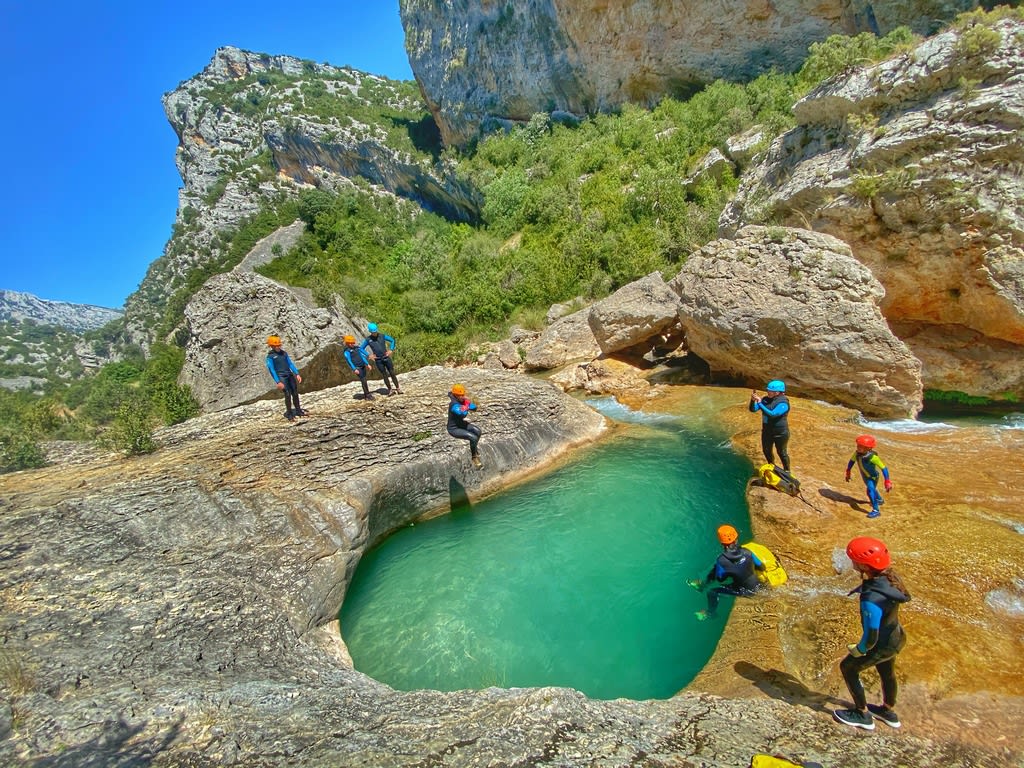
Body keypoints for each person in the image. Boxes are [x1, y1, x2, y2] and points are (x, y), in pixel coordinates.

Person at [833, 536, 910, 731]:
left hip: (880, 643)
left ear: (864, 566)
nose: (851, 561)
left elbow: (871, 635)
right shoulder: (890, 578)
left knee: (848, 668)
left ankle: (862, 714)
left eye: (853, 559)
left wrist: (859, 649)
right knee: (887, 672)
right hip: (896, 637)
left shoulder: (871, 600)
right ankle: (888, 710)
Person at [689, 524, 764, 621]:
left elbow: (720, 578)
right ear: (736, 538)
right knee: (718, 568)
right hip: (759, 585)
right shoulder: (747, 551)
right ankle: (702, 584)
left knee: (712, 592)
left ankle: (710, 612)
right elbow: (761, 566)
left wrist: (729, 568)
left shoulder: (722, 560)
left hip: (745, 591)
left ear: (722, 543)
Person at [846, 434, 892, 519]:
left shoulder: (873, 457)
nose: (858, 447)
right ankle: (879, 500)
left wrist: (887, 481)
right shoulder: (857, 454)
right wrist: (848, 471)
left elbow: (884, 468)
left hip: (872, 477)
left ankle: (876, 510)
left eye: (861, 446)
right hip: (865, 477)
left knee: (870, 491)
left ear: (868, 448)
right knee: (871, 488)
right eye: (858, 445)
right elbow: (851, 461)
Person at [749, 380, 791, 471]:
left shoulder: (783, 403)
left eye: (770, 391)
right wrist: (753, 401)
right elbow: (753, 409)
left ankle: (787, 471)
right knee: (766, 450)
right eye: (767, 390)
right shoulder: (765, 399)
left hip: (780, 432)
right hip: (767, 431)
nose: (767, 392)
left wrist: (760, 403)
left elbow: (773, 414)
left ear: (777, 392)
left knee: (781, 452)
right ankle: (771, 466)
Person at [265, 335, 305, 421]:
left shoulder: (284, 353)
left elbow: (290, 363)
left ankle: (298, 410)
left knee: (295, 393)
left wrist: (297, 373)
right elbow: (272, 370)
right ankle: (289, 413)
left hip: (289, 375)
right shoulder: (270, 357)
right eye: (276, 345)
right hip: (281, 376)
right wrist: (278, 381)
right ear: (271, 346)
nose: (278, 346)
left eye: (279, 345)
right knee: (287, 394)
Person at [360, 322, 402, 396]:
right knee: (384, 375)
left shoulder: (382, 336)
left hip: (386, 357)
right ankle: (390, 390)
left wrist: (391, 350)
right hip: (378, 360)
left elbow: (392, 340)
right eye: (373, 332)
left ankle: (398, 388)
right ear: (370, 331)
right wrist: (369, 355)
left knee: (392, 373)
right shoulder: (368, 339)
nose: (374, 333)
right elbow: (361, 348)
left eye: (375, 331)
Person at [447, 383, 482, 468]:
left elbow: (474, 408)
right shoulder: (453, 404)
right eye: (460, 395)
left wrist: (467, 405)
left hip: (461, 424)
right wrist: (466, 406)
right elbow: (461, 414)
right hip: (454, 429)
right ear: (455, 395)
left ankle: (474, 448)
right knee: (473, 437)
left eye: (463, 395)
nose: (462, 396)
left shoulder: (462, 401)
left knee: (478, 431)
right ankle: (474, 457)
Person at [342, 334, 373, 401]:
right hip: (357, 367)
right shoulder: (347, 352)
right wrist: (354, 369)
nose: (353, 344)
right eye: (351, 343)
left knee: (365, 380)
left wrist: (367, 364)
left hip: (362, 366)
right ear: (348, 343)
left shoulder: (357, 348)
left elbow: (362, 356)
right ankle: (367, 395)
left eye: (353, 343)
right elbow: (349, 361)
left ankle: (367, 394)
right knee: (363, 380)